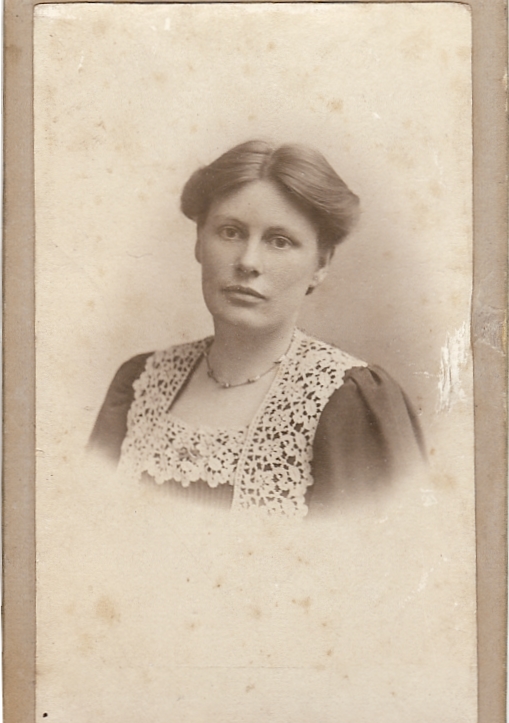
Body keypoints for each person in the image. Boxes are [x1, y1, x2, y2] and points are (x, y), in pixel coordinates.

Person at [88, 140, 425, 519]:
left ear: (321, 265)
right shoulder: (139, 384)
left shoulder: (347, 401)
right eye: (230, 232)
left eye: (279, 242)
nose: (248, 262)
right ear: (199, 241)